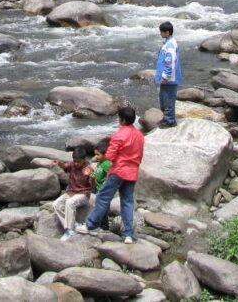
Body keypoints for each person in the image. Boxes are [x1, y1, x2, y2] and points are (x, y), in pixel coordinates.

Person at [77, 106, 144, 244]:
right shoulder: (139, 135)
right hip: (132, 172)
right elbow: (140, 155)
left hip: (118, 171)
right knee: (127, 202)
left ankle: (89, 225)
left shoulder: (118, 135)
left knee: (102, 197)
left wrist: (101, 160)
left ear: (123, 120)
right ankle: (128, 235)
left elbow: (111, 156)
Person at [53, 146, 95, 240]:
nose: (76, 163)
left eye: (78, 161)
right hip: (71, 192)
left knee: (69, 203)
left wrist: (92, 178)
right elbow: (64, 166)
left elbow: (93, 185)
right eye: (75, 161)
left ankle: (69, 230)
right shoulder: (72, 165)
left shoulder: (88, 169)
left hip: (83, 194)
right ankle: (74, 224)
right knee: (56, 204)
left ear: (84, 160)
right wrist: (59, 163)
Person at [155, 21, 182, 128]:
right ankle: (167, 117)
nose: (160, 34)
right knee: (164, 98)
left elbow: (169, 63)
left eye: (161, 32)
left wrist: (165, 76)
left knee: (168, 99)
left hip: (170, 78)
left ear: (167, 32)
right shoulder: (168, 43)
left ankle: (170, 120)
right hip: (168, 78)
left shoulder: (170, 46)